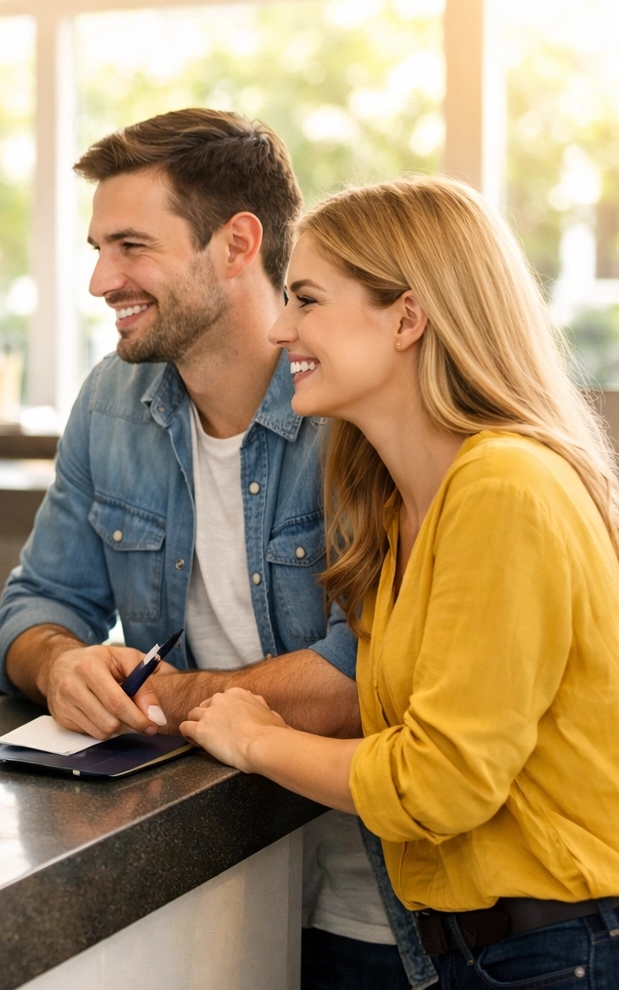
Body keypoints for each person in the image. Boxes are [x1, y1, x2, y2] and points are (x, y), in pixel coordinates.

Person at [0, 109, 432, 988]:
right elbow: (30, 609)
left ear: (236, 243)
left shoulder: (359, 408)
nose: (101, 279)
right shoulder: (112, 401)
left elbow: (360, 678)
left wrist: (169, 698)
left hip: (379, 909)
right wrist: (62, 663)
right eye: (97, 247)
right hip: (206, 890)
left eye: (131, 246)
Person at [182, 175, 619, 988]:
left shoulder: (505, 487)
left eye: (306, 300)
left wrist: (254, 739)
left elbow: (438, 784)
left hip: (564, 951)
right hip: (492, 953)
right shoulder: (398, 507)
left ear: (408, 318)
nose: (280, 329)